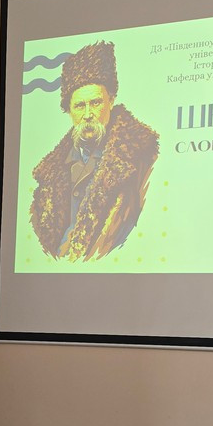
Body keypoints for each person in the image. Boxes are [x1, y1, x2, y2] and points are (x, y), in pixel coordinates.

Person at [30, 40, 160, 261]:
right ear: (69, 110)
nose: (88, 114)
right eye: (80, 106)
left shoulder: (142, 158)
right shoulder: (50, 171)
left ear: (111, 101)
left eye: (96, 103)